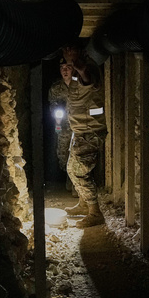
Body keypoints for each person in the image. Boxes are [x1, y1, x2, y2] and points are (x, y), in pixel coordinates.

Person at [60, 44, 107, 228]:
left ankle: (95, 212)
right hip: (80, 131)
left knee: (79, 172)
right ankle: (84, 204)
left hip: (89, 132)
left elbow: (87, 78)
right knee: (72, 169)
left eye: (67, 51)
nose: (65, 53)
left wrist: (75, 62)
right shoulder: (76, 72)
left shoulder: (85, 69)